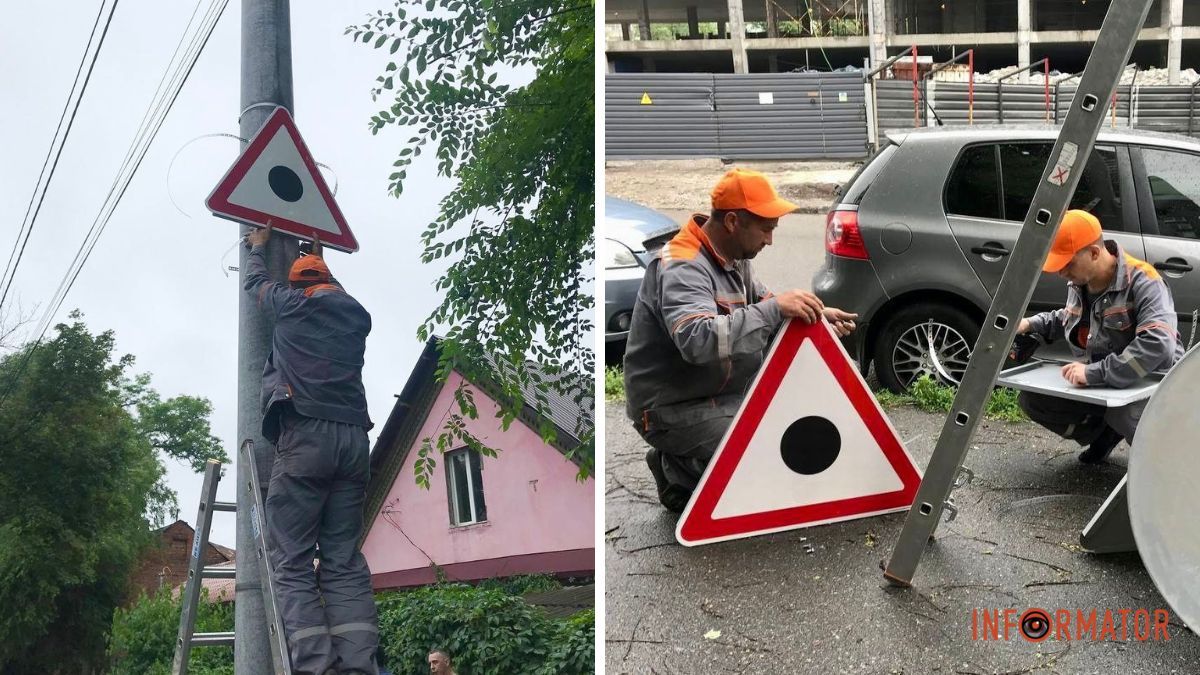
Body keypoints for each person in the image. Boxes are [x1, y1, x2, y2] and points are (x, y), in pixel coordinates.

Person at [622, 168, 858, 512]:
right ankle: (677, 469)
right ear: (733, 222)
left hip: (725, 397)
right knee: (761, 452)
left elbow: (765, 308)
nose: (770, 240)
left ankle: (705, 464)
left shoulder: (734, 258)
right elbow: (697, 340)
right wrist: (777, 310)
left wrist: (815, 317)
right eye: (766, 229)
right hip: (672, 409)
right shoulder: (683, 266)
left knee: (786, 435)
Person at [244, 222, 379, 675]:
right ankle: (359, 668)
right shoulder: (357, 316)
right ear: (330, 282)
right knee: (342, 562)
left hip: (307, 439)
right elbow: (331, 291)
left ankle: (315, 668)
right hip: (354, 441)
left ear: (298, 286)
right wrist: (321, 259)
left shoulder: (290, 307)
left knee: (294, 561)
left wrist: (259, 250)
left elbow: (257, 286)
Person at [1014, 209, 1184, 463]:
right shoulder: (1079, 282)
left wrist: (1093, 374)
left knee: (1134, 423)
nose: (1061, 272)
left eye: (1067, 264)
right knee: (1032, 400)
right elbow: (1069, 318)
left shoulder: (1145, 281)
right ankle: (1104, 433)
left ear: (1094, 253)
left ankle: (1168, 474)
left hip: (1151, 384)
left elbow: (1158, 346)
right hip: (1103, 381)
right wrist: (1029, 324)